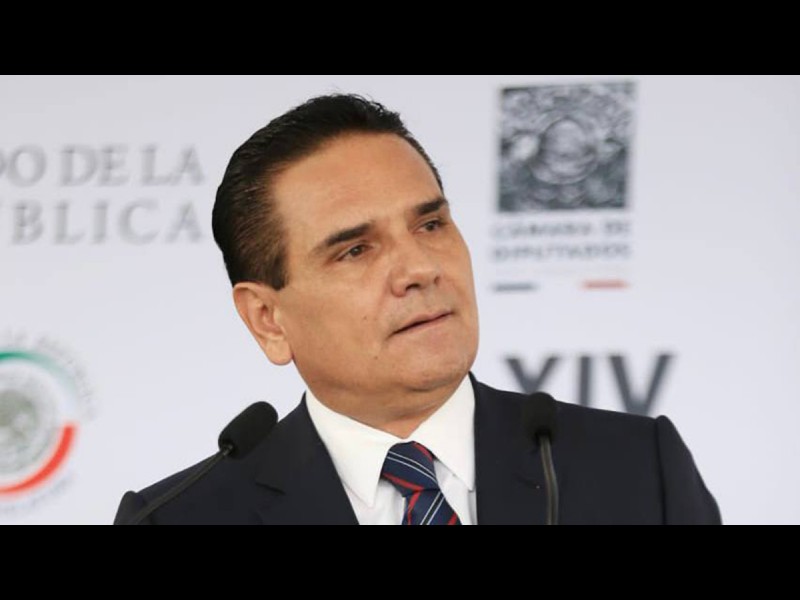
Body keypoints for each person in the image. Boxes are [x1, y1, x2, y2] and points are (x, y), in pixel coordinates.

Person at [114, 93, 721, 525]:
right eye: (355, 250)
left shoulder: (637, 470)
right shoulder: (181, 517)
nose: (420, 269)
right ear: (267, 320)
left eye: (430, 224)